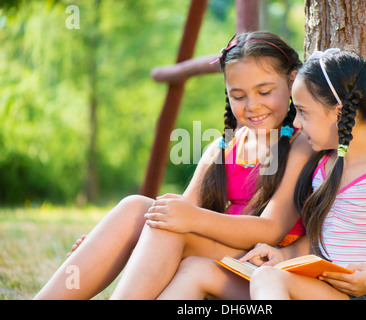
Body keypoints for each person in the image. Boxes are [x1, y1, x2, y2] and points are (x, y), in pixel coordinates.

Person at [34, 31, 313, 300]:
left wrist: (193, 218)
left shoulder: (301, 144)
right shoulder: (222, 147)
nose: (252, 105)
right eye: (238, 96)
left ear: (291, 81)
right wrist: (106, 245)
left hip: (264, 269)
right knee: (135, 209)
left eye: (264, 91)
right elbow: (178, 210)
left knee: (167, 225)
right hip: (223, 256)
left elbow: (271, 229)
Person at [236, 49, 366, 300]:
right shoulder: (323, 167)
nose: (296, 123)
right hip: (329, 289)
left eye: (303, 111)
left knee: (267, 278)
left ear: (339, 113)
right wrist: (284, 255)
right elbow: (322, 242)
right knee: (260, 274)